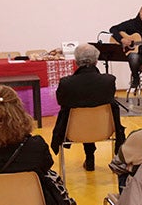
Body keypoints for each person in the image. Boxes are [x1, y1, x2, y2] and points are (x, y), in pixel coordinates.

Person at [51, 43, 126, 171]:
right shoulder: (108, 81)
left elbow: (60, 101)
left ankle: (89, 156)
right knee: (92, 112)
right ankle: (96, 157)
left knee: (82, 114)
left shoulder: (67, 83)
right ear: (96, 61)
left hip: (73, 132)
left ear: (76, 62)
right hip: (104, 130)